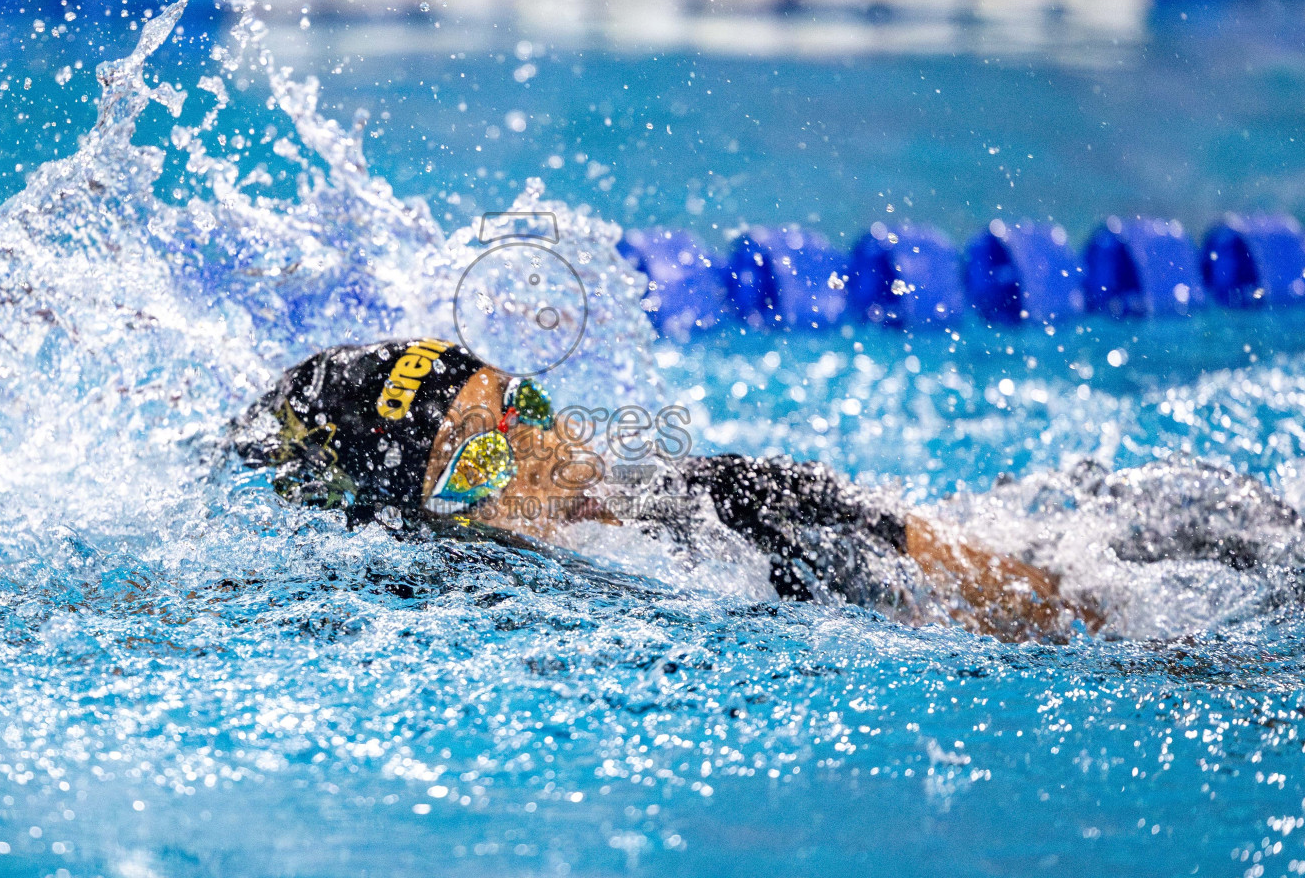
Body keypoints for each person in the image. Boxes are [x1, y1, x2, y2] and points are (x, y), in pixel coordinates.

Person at [227, 338, 1291, 642]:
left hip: (1149, 540)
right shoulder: (449, 592)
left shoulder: (735, 501)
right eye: (482, 451)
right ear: (423, 516)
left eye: (524, 403)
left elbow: (1045, 602)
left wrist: (1183, 669)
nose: (540, 444)